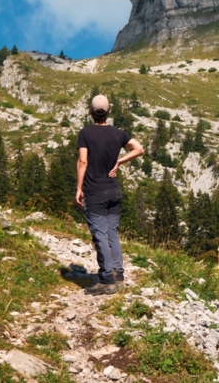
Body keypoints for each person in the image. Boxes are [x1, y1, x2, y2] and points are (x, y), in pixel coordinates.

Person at [76, 94, 144, 295]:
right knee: (112, 232)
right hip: (114, 190)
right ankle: (118, 275)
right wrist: (120, 162)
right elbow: (139, 149)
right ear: (109, 111)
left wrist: (79, 187)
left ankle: (107, 280)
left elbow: (83, 162)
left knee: (100, 234)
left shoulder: (85, 133)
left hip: (95, 191)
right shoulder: (118, 134)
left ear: (91, 112)